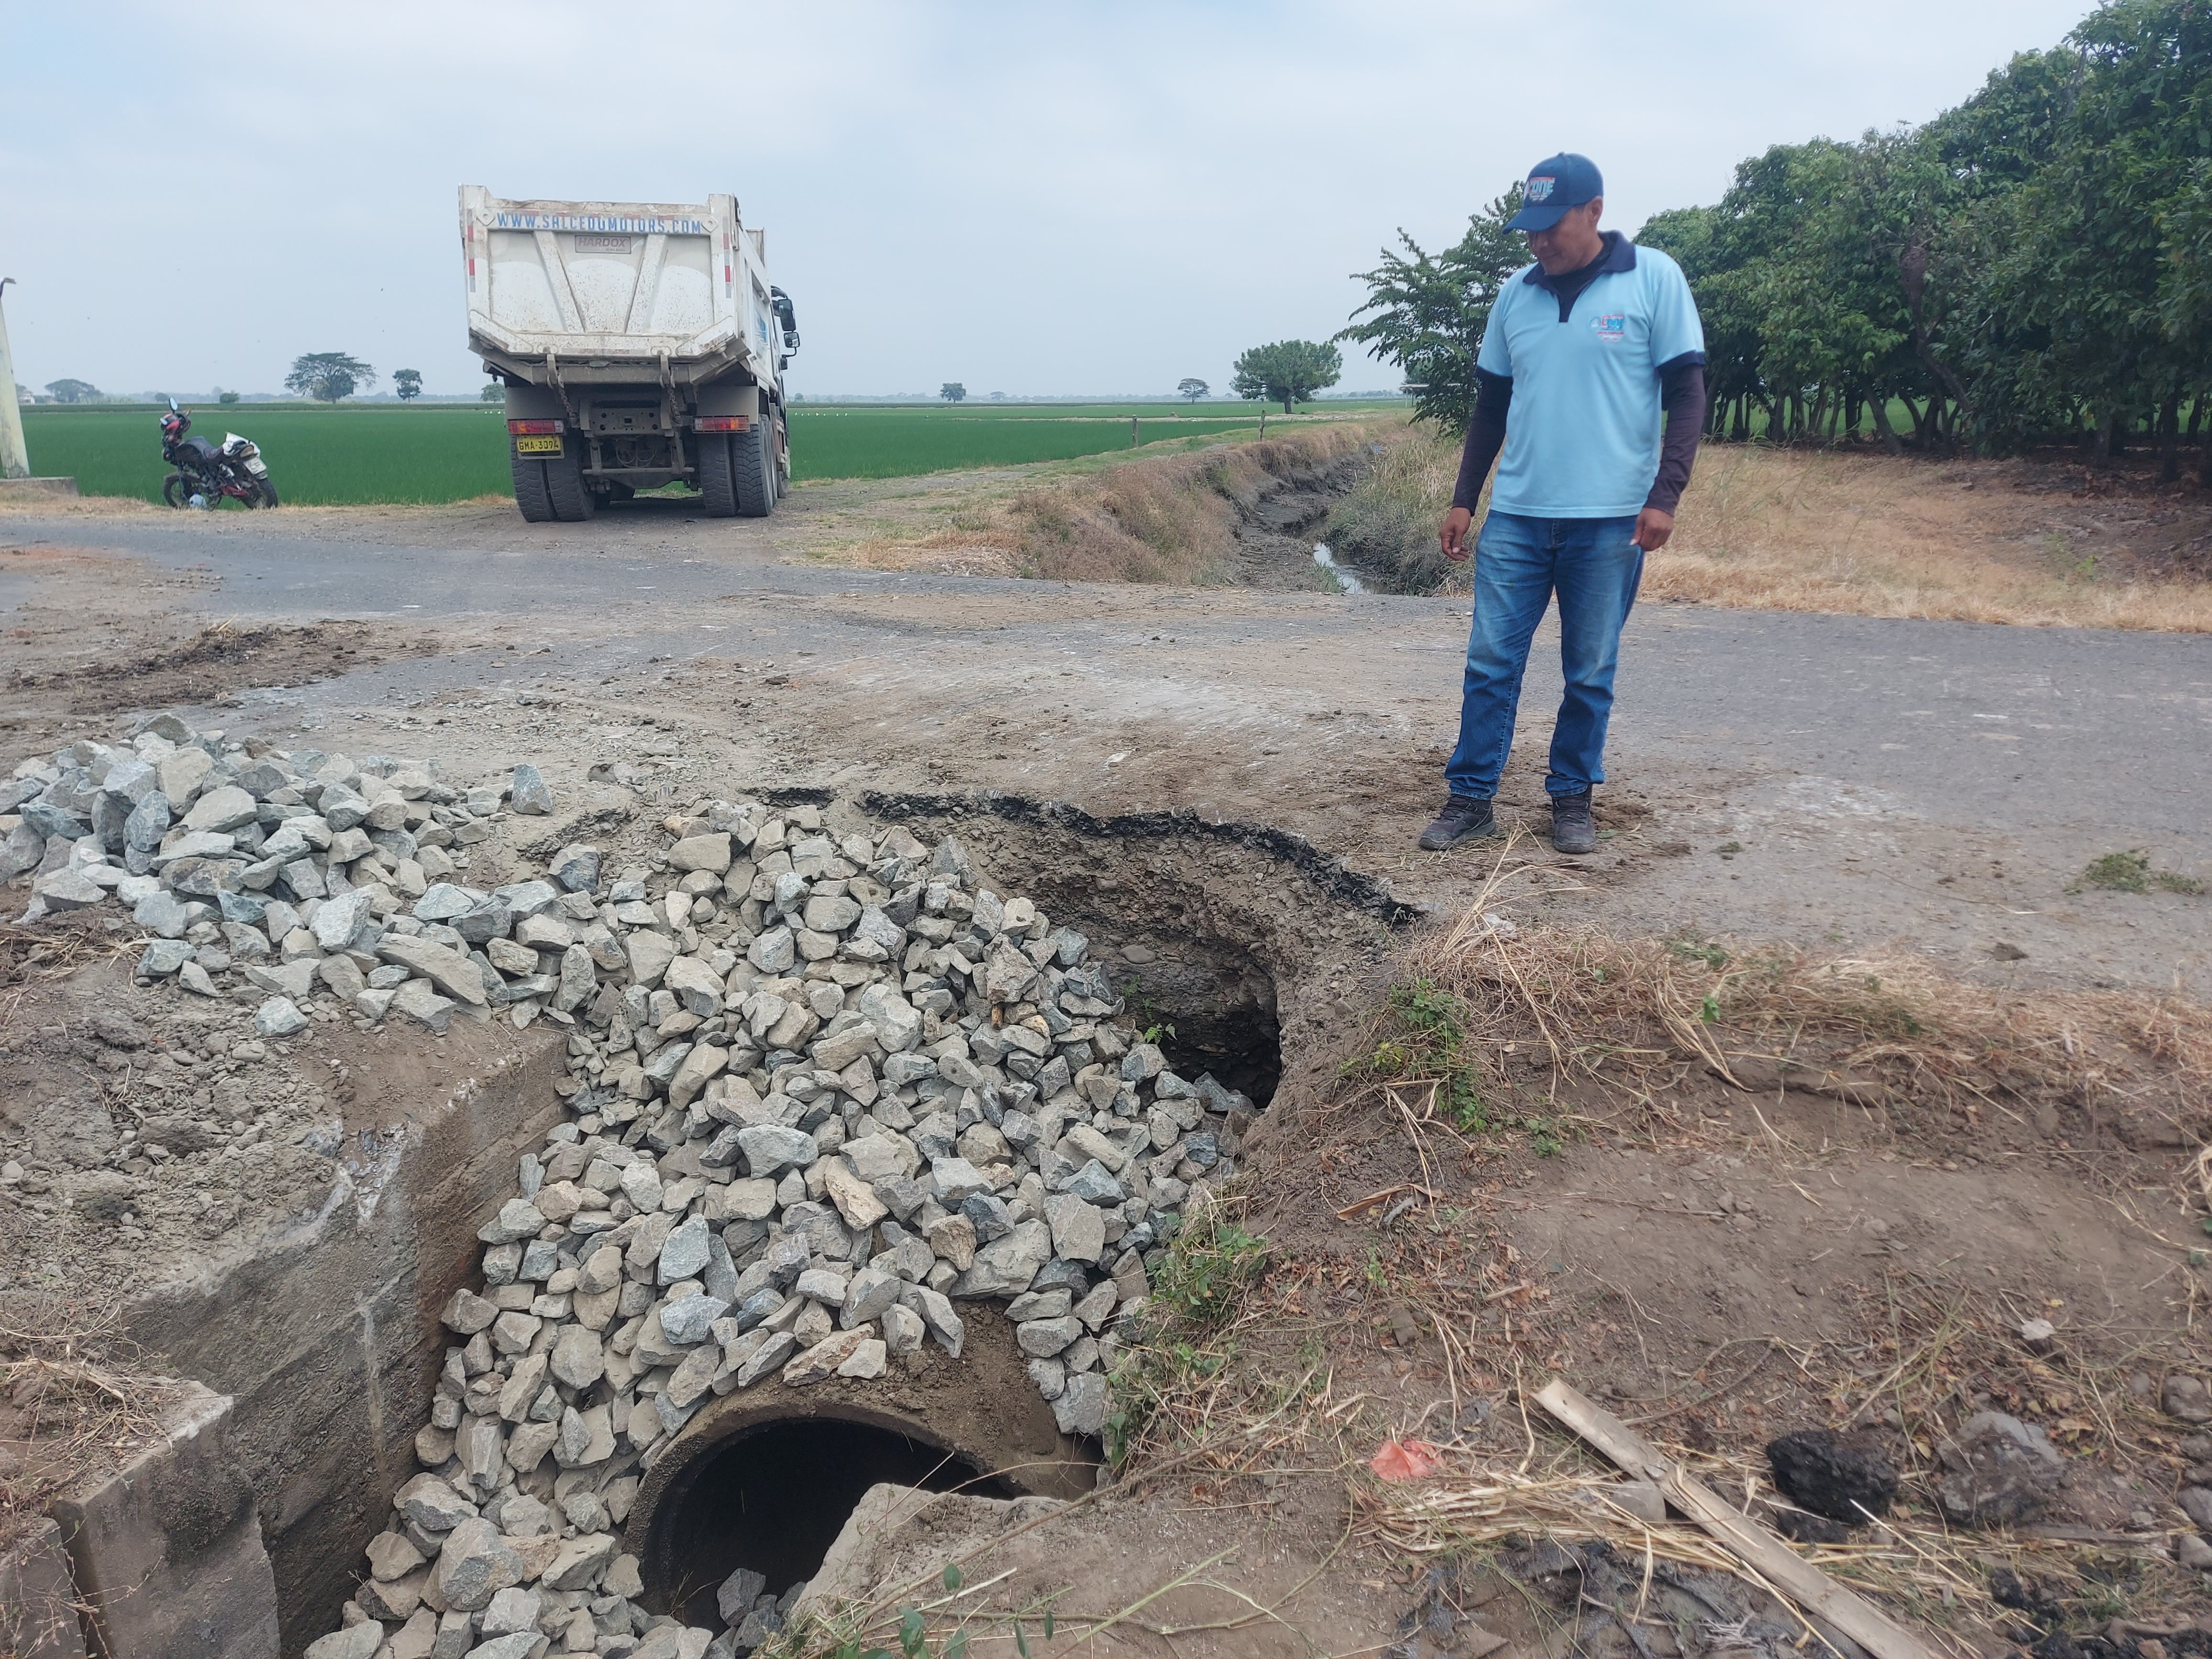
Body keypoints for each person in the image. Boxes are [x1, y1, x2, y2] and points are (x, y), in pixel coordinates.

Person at [1417, 153, 1706, 856]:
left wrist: (1666, 494)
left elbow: (1688, 394)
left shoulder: (1654, 278)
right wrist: (1464, 499)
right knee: (1490, 662)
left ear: (1595, 211)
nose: (1539, 241)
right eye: (1530, 229)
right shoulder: (1515, 295)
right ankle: (1471, 798)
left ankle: (1572, 798)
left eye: (1553, 226)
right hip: (1518, 515)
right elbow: (1491, 406)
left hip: (1611, 522)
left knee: (1590, 669)